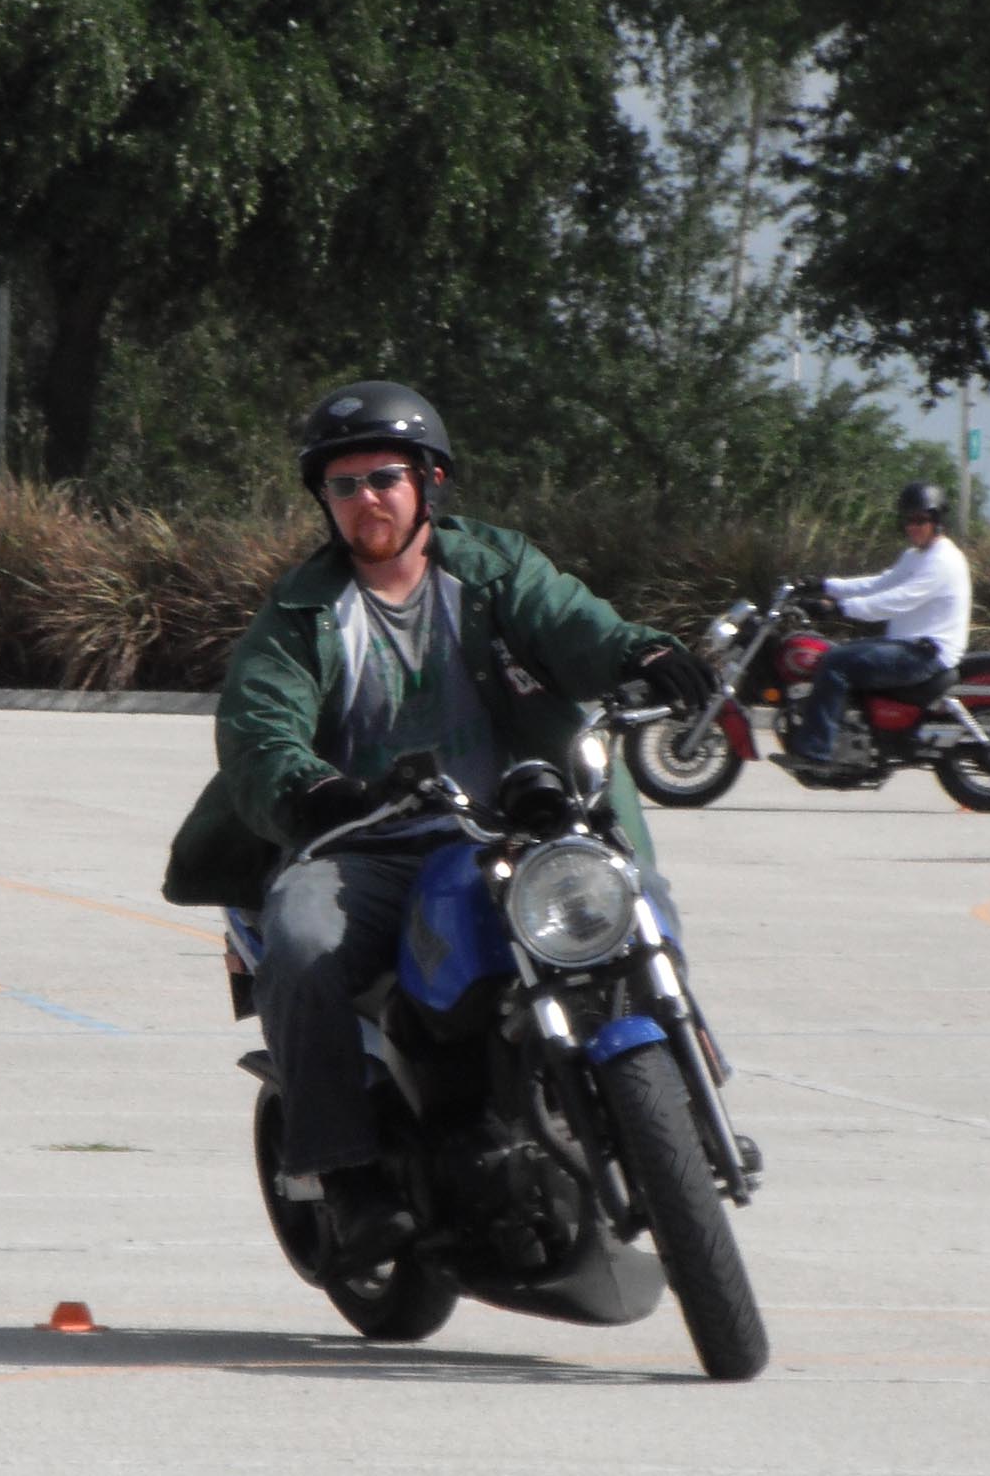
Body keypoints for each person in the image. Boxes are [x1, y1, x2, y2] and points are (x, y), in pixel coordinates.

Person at [163, 379, 714, 1266]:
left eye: (384, 477)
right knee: (302, 940)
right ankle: (344, 1172)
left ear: (430, 481)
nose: (366, 499)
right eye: (343, 485)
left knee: (634, 895)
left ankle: (684, 1084)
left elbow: (575, 623)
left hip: (518, 826)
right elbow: (260, 726)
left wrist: (640, 652)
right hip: (367, 843)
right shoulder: (300, 614)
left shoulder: (494, 570)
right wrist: (312, 789)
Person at [773, 481, 971, 775]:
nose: (913, 527)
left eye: (920, 520)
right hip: (907, 646)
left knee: (835, 663)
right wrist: (823, 585)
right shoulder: (915, 556)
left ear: (937, 520)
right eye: (908, 520)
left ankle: (816, 751)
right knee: (834, 653)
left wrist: (838, 608)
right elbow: (879, 583)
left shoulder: (943, 560)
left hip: (925, 655)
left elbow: (898, 599)